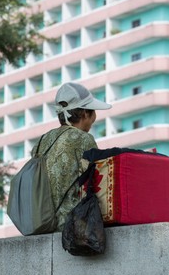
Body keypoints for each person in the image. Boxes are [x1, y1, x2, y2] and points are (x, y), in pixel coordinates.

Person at [31, 82, 112, 231]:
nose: (94, 117)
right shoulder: (84, 139)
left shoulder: (42, 141)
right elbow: (96, 184)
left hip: (42, 223)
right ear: (85, 113)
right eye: (93, 111)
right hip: (71, 224)